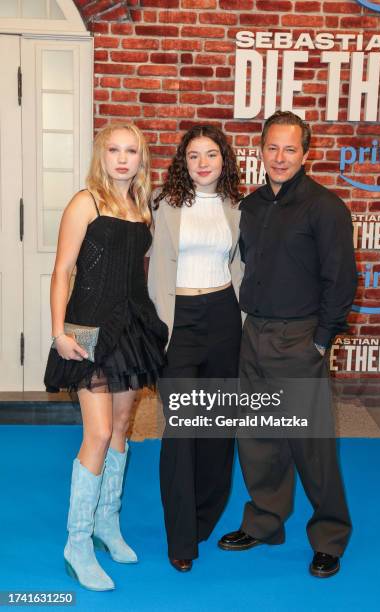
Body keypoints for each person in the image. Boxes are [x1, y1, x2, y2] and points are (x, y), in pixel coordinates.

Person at [218, 111, 357, 578]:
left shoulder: (326, 208)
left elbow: (340, 281)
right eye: (272, 148)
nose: (279, 158)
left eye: (290, 149)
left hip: (300, 338)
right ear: (261, 150)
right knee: (257, 439)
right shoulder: (252, 206)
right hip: (253, 333)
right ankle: (264, 522)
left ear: (306, 154)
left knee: (310, 444)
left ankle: (330, 537)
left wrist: (321, 341)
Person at [44, 123, 167, 591]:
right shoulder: (85, 202)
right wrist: (58, 333)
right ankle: (76, 543)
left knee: (119, 429)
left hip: (132, 329)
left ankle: (105, 524)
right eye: (113, 150)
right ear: (102, 155)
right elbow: (61, 272)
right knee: (96, 432)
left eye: (131, 150)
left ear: (141, 157)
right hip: (88, 332)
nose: (122, 158)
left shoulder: (142, 207)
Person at [148, 125, 243, 572]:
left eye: (211, 154)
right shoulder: (162, 206)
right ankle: (181, 535)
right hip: (179, 322)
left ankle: (205, 517)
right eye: (193, 156)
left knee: (218, 427)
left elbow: (240, 266)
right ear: (182, 163)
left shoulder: (237, 208)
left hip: (225, 317)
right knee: (182, 427)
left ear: (224, 159)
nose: (203, 163)